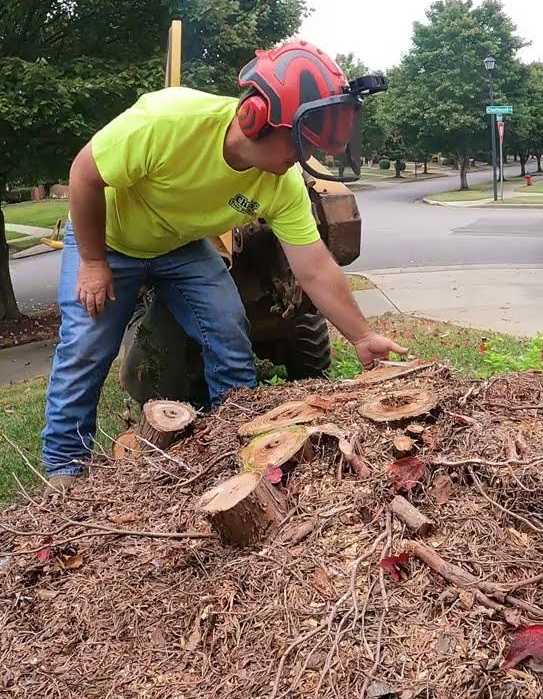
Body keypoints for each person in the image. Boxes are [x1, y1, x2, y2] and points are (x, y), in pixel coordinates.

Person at [40, 41, 406, 491]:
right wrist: (94, 262)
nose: (302, 158)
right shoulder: (167, 121)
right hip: (109, 237)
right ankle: (65, 468)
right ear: (255, 118)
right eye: (298, 144)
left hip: (180, 244)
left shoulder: (282, 183)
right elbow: (83, 174)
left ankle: (234, 440)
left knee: (228, 327)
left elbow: (314, 267)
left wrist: (362, 336)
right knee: (86, 346)